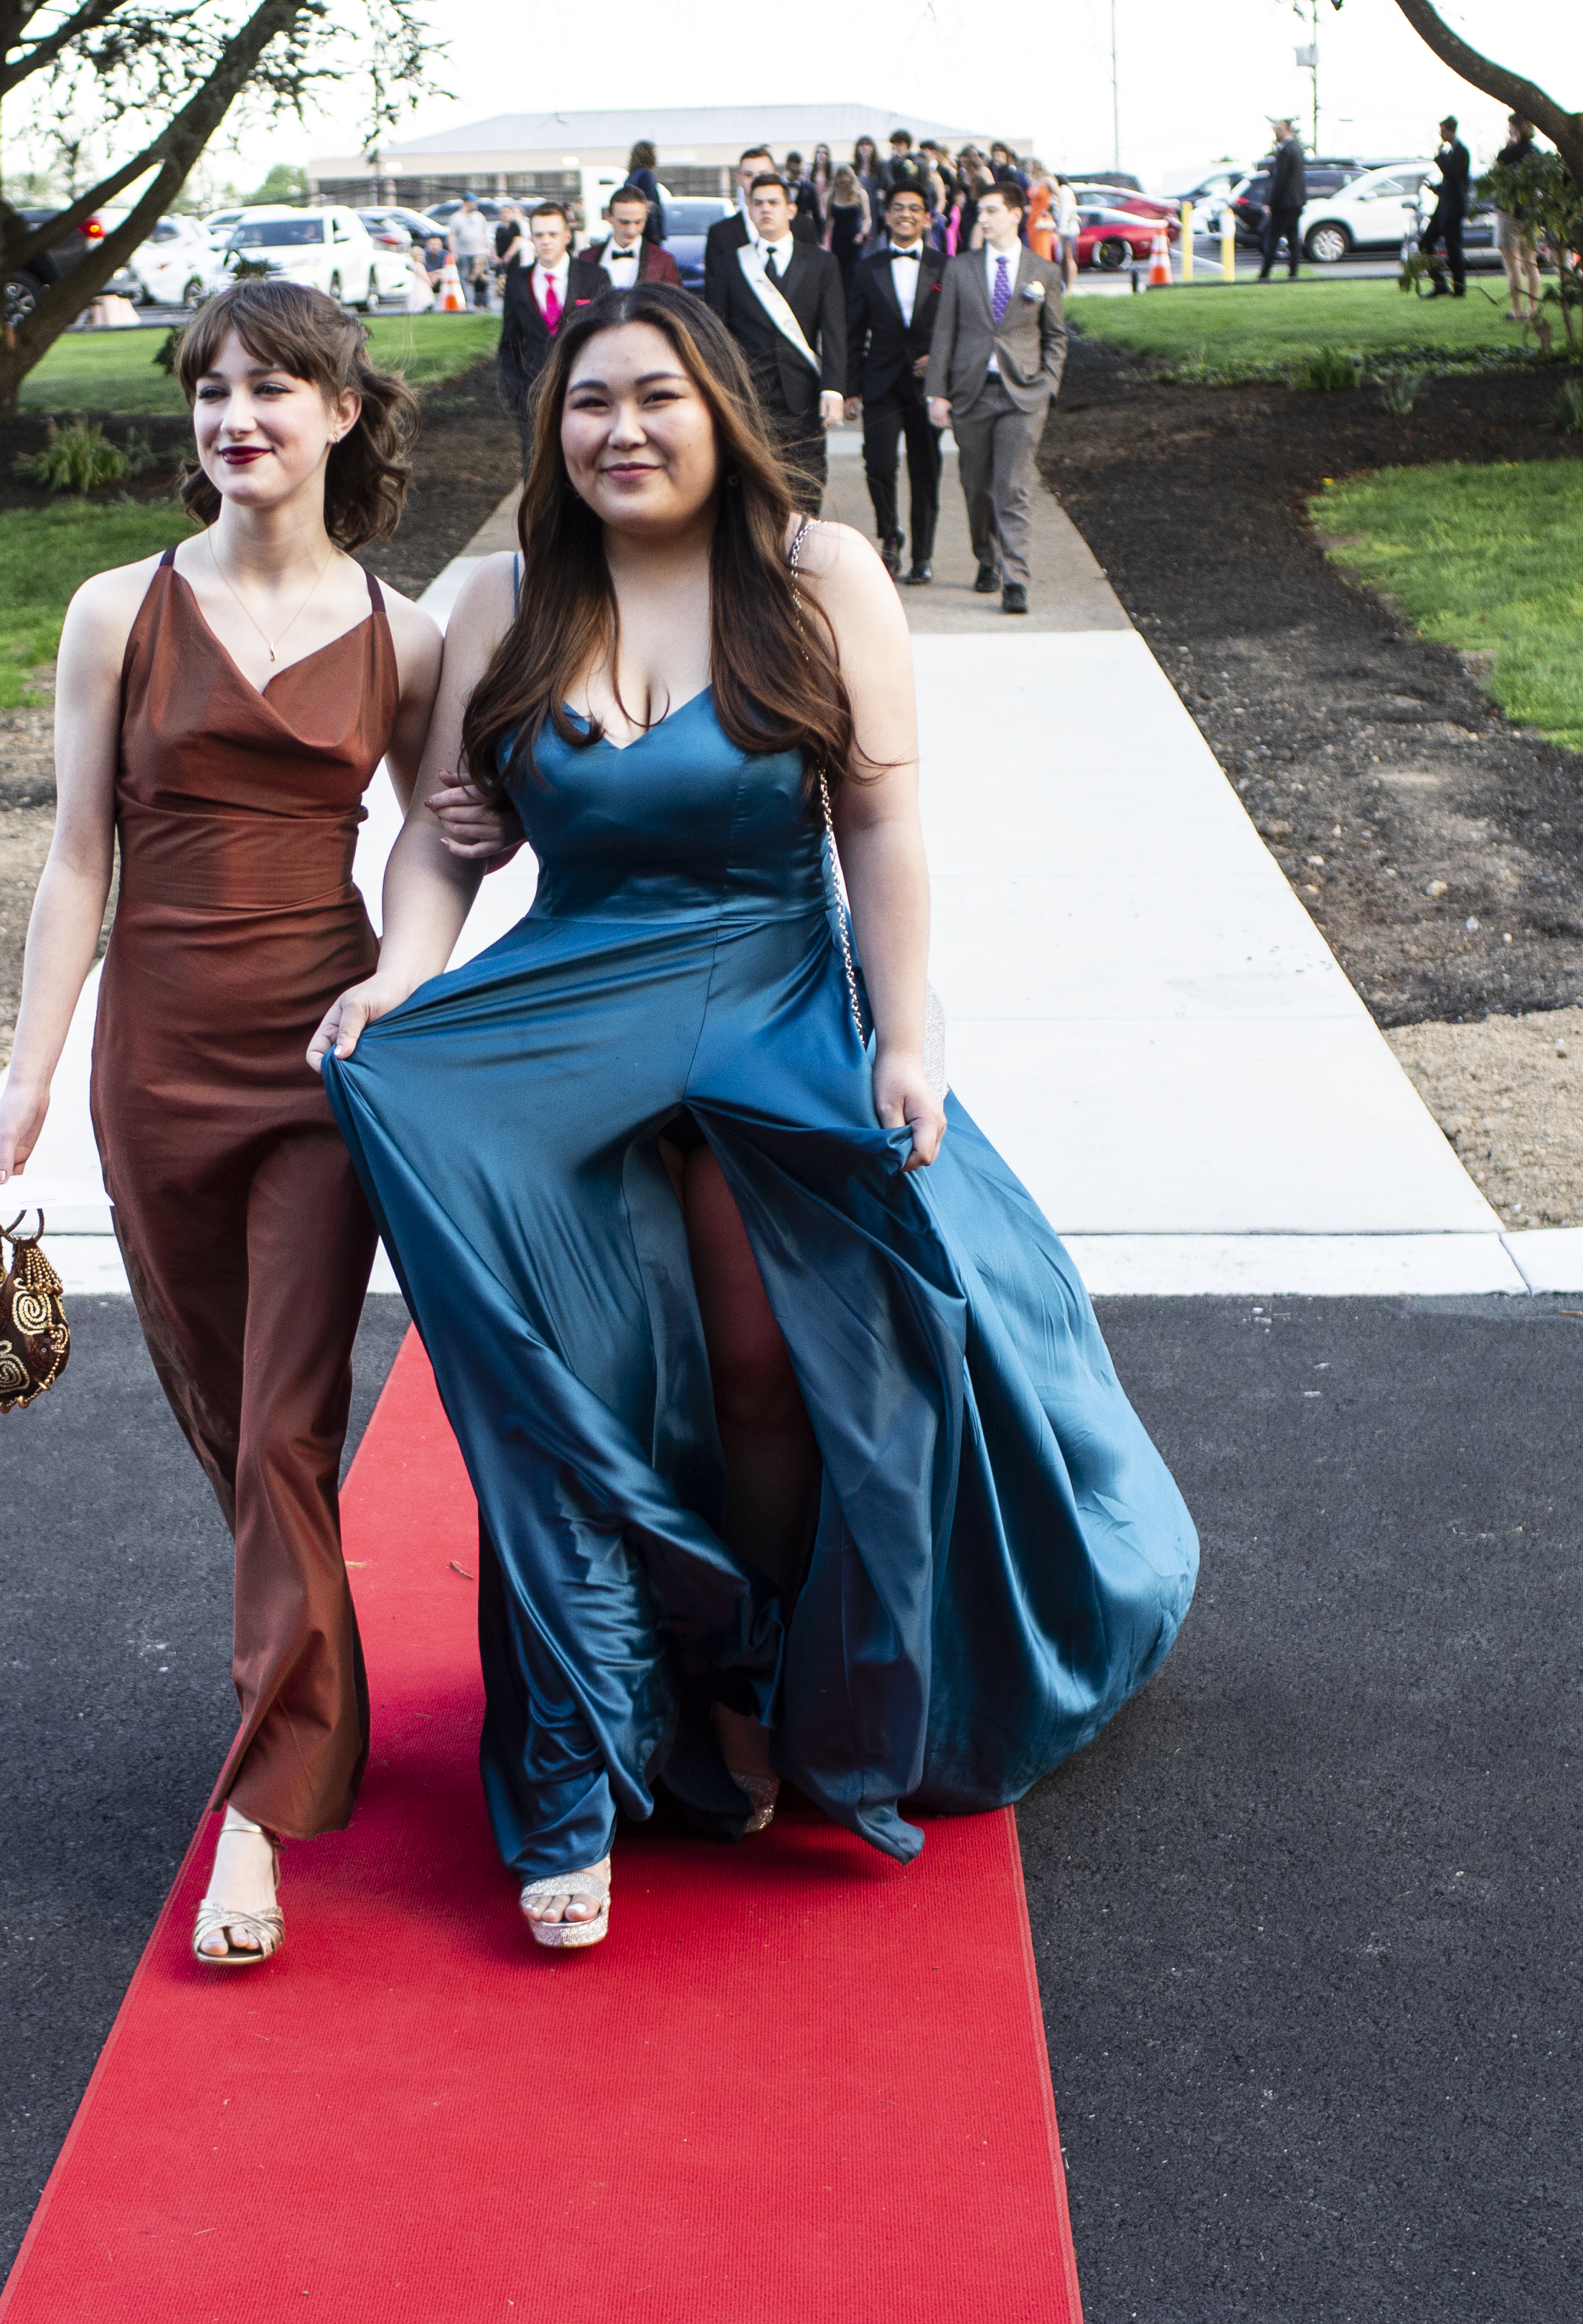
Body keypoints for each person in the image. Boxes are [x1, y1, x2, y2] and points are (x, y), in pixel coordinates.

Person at [309, 283, 1198, 1950]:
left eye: (654, 398)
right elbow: (440, 836)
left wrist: (907, 1032)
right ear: (546, 431)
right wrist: (401, 980)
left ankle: (769, 1676)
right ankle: (614, 1708)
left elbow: (877, 819)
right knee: (576, 1370)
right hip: (566, 1003)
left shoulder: (816, 574)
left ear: (718, 413)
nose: (620, 431)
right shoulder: (495, 594)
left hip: (770, 995)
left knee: (767, 1365)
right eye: (587, 405)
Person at [0, 278, 444, 1972]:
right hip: (153, 1056)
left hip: (317, 1061)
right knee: (217, 1404)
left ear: (339, 412)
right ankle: (314, 1679)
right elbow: (75, 857)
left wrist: (401, 976)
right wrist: (28, 1071)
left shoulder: (407, 636)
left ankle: (259, 1806)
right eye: (212, 389)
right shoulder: (116, 611)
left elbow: (427, 838)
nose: (235, 415)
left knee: (282, 1426)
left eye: (273, 386)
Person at [930, 183, 1066, 617]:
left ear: (1014, 215)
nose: (982, 220)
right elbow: (945, 332)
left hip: (1023, 394)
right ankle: (986, 558)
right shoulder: (960, 269)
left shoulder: (1043, 271)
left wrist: (1048, 384)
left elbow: (1056, 336)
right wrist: (937, 392)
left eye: (990, 211)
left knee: (1013, 486)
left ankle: (1015, 579)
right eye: (979, 212)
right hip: (971, 392)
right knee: (976, 487)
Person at [702, 170, 848, 509]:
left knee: (808, 487)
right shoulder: (729, 266)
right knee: (754, 493)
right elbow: (719, 335)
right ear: (749, 210)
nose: (766, 209)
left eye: (774, 203)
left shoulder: (822, 263)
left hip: (806, 395)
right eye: (758, 203)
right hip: (750, 397)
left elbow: (834, 330)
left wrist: (835, 388)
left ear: (791, 210)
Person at [848, 181, 944, 583]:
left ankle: (923, 555)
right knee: (879, 465)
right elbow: (852, 333)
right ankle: (890, 534)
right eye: (899, 208)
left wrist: (939, 363)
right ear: (886, 216)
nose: (906, 215)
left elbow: (958, 328)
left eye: (915, 209)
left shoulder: (946, 267)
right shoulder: (866, 269)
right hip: (881, 382)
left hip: (926, 386)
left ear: (927, 217)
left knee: (926, 471)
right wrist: (849, 388)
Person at [496, 199, 593, 470]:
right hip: (533, 398)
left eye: (553, 234)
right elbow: (509, 343)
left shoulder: (593, 277)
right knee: (538, 472)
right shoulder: (517, 281)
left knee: (584, 471)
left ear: (567, 236)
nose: (546, 241)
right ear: (531, 237)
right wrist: (516, 394)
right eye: (539, 235)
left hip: (583, 395)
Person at [1490, 114, 1548, 338]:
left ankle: (1516, 311)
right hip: (1531, 213)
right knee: (1531, 263)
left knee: (1512, 264)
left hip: (1510, 212)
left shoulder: (1507, 154)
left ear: (1514, 129)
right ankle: (1532, 310)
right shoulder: (1536, 153)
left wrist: (1507, 147)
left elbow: (1495, 175)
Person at [589, 183, 683, 291]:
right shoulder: (587, 258)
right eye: (624, 222)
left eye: (638, 222)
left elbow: (674, 305)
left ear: (646, 217)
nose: (631, 230)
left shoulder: (663, 261)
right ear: (608, 217)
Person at [1422, 116, 1471, 296]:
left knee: (1453, 248)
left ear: (1451, 131)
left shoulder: (1462, 152)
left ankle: (1459, 288)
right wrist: (1437, 188)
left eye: (1443, 131)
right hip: (1443, 208)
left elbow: (1454, 175)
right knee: (1425, 245)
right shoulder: (1452, 152)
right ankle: (1439, 283)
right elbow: (1450, 182)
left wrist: (1439, 157)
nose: (1441, 135)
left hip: (1453, 209)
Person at [1258, 121, 1308, 281]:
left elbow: (1280, 179)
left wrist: (1270, 202)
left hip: (1284, 204)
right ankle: (1293, 273)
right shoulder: (1297, 149)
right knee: (1293, 239)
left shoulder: (1286, 151)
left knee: (1272, 238)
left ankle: (1265, 274)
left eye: (1278, 128)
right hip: (1296, 202)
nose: (1275, 132)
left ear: (1287, 129)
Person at [448, 195, 494, 309]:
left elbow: (484, 234)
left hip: (479, 252)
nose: (475, 205)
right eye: (473, 203)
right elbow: (452, 235)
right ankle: (468, 304)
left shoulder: (479, 217)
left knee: (482, 278)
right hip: (463, 253)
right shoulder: (456, 217)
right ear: (466, 203)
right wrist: (453, 251)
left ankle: (483, 303)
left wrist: (487, 248)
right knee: (464, 279)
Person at [620, 139, 668, 245]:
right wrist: (656, 233)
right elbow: (650, 206)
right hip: (648, 232)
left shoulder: (631, 177)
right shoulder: (646, 175)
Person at [825, 165, 871, 260]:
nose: (844, 186)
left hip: (855, 240)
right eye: (840, 182)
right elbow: (827, 221)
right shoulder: (831, 197)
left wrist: (862, 234)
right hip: (838, 241)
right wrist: (824, 241)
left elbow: (867, 219)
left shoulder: (860, 194)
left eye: (846, 182)